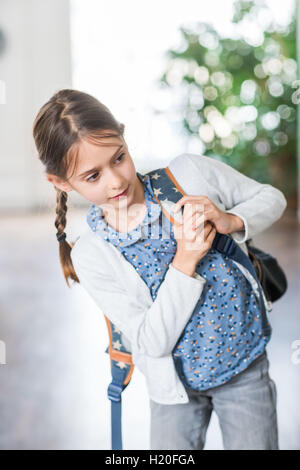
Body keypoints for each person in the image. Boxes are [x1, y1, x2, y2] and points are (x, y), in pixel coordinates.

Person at [32, 88, 287, 450]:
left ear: (123, 136)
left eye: (119, 158)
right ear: (61, 183)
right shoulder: (92, 255)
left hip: (246, 368)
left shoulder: (190, 174)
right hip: (174, 392)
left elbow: (272, 198)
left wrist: (230, 220)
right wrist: (185, 262)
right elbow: (152, 342)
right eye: (92, 176)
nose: (116, 181)